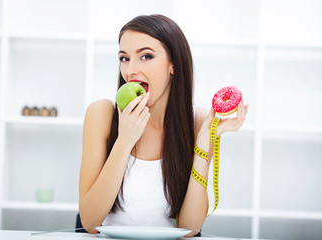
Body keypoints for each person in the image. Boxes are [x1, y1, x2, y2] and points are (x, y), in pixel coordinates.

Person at [78, 14, 248, 237]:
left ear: (173, 65)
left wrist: (204, 143)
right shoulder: (101, 114)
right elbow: (90, 222)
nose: (130, 71)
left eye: (146, 56)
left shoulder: (198, 123)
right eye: (124, 58)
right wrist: (124, 141)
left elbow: (190, 230)